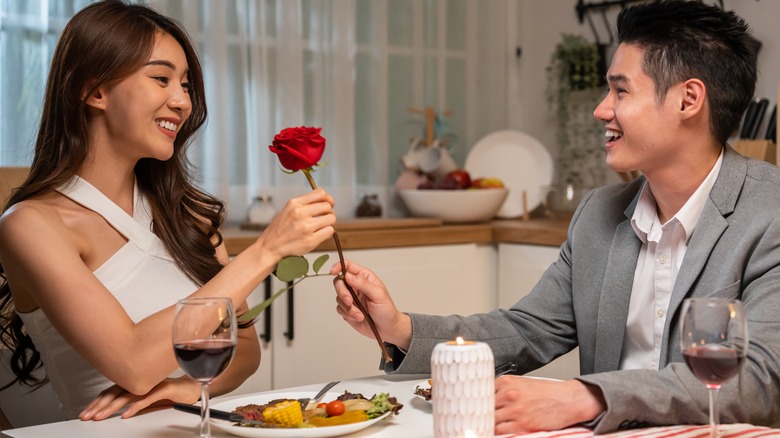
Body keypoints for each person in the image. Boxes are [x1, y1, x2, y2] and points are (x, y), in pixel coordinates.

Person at [333, 0, 780, 434]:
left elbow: (758, 381)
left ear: (688, 100)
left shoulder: (769, 214)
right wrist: (401, 329)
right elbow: (527, 330)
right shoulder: (597, 214)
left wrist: (585, 397)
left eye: (620, 90)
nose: (601, 109)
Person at [0, 0, 336, 422]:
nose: (182, 101)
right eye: (162, 79)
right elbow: (134, 364)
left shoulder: (187, 215)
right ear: (94, 90)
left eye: (186, 85)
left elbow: (245, 351)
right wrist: (265, 251)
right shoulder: (32, 226)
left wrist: (182, 388)